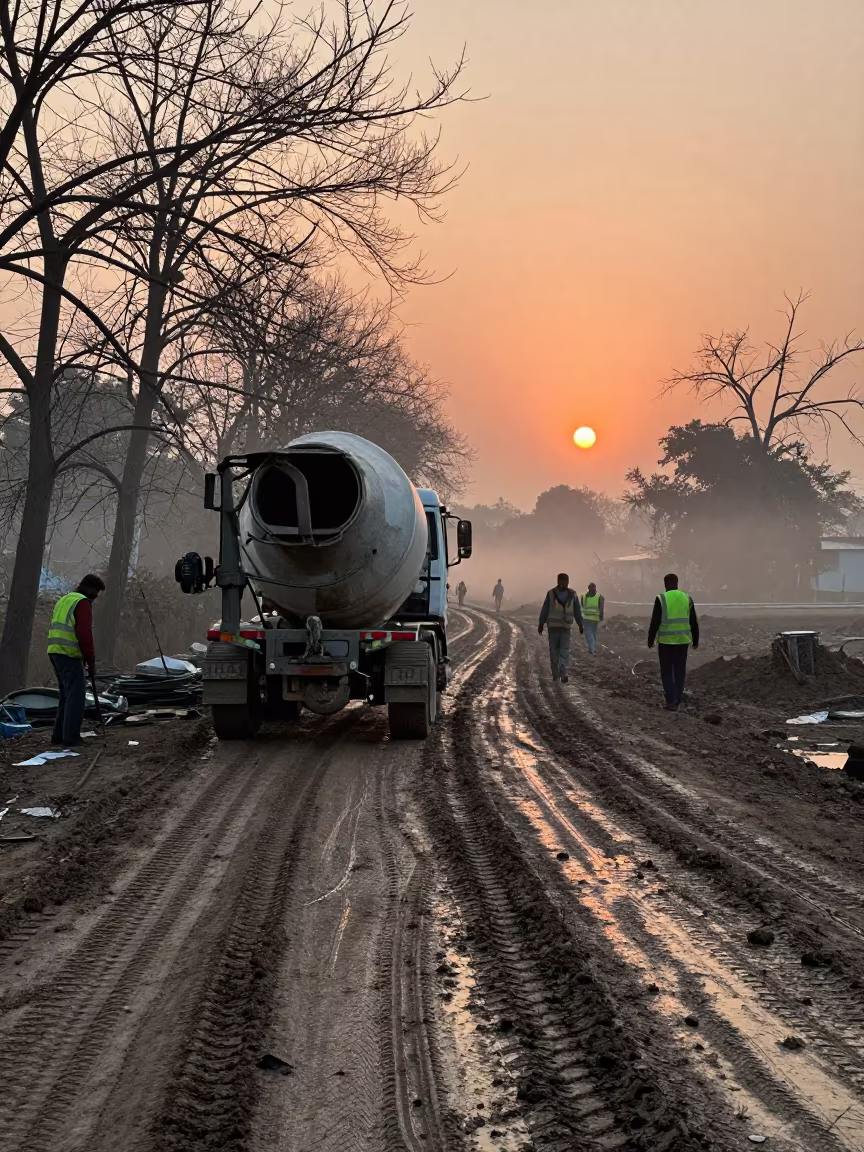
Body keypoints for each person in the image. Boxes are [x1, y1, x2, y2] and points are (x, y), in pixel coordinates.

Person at [47, 573, 105, 746]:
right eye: (95, 594)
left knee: (66, 695)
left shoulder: (65, 599)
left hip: (55, 651)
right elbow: (84, 634)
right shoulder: (82, 602)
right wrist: (91, 661)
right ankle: (71, 737)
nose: (94, 598)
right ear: (90, 589)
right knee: (76, 696)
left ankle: (58, 736)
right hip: (69, 653)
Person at [647, 573, 699, 711]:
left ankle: (670, 701)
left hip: (666, 642)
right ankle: (677, 699)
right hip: (683, 641)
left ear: (665, 584)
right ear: (677, 583)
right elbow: (693, 620)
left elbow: (655, 621)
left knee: (667, 671)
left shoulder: (661, 598)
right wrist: (696, 638)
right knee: (680, 670)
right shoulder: (687, 597)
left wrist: (650, 639)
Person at [538, 573, 583, 684]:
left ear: (567, 582)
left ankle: (561, 674)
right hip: (556, 628)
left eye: (565, 581)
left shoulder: (572, 595)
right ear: (558, 581)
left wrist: (580, 624)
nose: (563, 583)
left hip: (563, 628)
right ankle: (557, 674)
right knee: (558, 651)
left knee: (561, 651)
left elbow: (577, 611)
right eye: (562, 580)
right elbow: (545, 610)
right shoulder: (552, 594)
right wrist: (541, 623)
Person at [580, 582, 604, 655]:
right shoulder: (600, 597)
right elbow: (601, 609)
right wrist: (601, 619)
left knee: (589, 634)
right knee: (593, 633)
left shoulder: (583, 597)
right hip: (595, 618)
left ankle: (591, 649)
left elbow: (582, 605)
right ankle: (592, 648)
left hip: (586, 618)